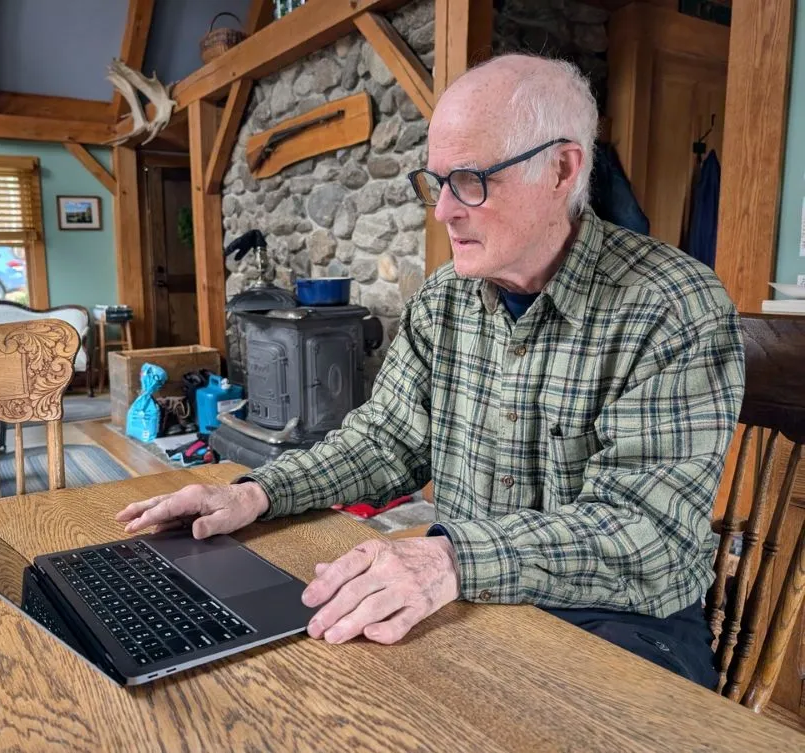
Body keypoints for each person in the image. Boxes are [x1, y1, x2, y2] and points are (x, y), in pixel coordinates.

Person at [116, 53, 744, 689]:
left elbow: (647, 532)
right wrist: (255, 492)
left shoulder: (672, 306)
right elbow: (383, 439)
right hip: (473, 598)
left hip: (618, 621)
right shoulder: (444, 298)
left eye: (470, 180)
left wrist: (447, 557)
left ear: (561, 169)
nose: (443, 211)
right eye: (436, 181)